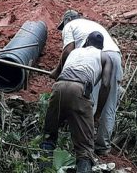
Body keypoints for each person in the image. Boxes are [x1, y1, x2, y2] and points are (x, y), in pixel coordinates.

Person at [50, 10, 123, 156]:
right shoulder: (91, 25)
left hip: (98, 58)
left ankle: (84, 144)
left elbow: (67, 51)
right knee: (109, 103)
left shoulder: (70, 25)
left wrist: (59, 72)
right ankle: (102, 146)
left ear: (67, 20)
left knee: (89, 101)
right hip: (115, 55)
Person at [40, 31, 113, 173]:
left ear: (86, 42)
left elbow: (56, 73)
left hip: (59, 87)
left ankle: (43, 169)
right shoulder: (104, 56)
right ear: (101, 47)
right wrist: (97, 114)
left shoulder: (74, 52)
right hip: (79, 90)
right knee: (84, 149)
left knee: (49, 136)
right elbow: (105, 84)